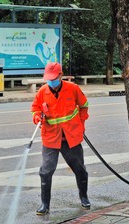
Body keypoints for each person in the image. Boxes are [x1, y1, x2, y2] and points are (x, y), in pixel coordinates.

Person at [31, 62, 90, 215]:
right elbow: (35, 108)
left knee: (80, 170)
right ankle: (45, 204)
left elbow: (84, 106)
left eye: (54, 78)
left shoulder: (73, 89)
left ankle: (84, 197)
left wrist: (81, 124)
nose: (51, 81)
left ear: (60, 75)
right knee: (45, 171)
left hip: (71, 137)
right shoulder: (43, 91)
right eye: (48, 78)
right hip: (51, 137)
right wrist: (37, 117)